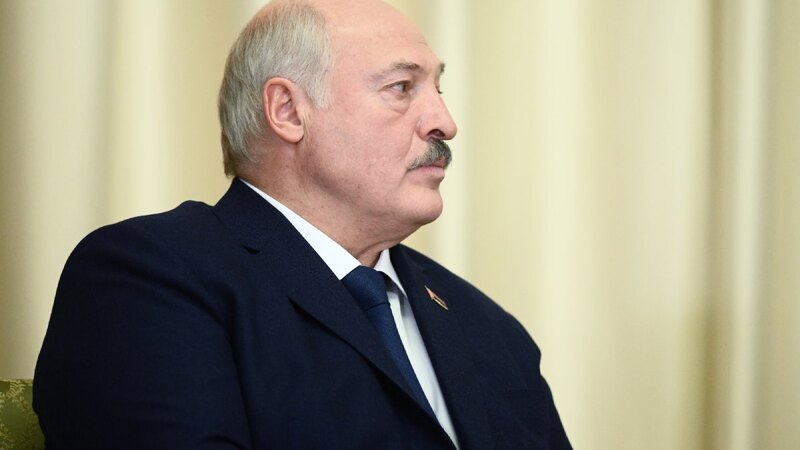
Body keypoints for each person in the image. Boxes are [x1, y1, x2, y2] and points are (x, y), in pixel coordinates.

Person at [34, 0, 572, 448]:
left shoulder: (489, 327)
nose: (444, 123)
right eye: (401, 87)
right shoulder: (151, 278)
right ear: (288, 111)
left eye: (438, 89)